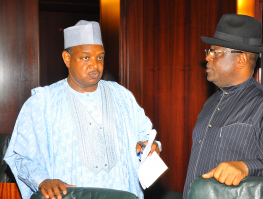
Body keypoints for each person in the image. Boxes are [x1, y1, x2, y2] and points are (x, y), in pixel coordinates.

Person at [4, 20, 161, 199]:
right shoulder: (43, 102)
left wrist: (148, 148)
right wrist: (42, 180)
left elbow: (146, 138)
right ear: (67, 59)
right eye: (86, 57)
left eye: (100, 57)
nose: (95, 65)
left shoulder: (122, 96)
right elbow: (20, 156)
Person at [183, 14, 263, 199]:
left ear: (241, 59)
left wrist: (246, 166)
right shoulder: (212, 102)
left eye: (215, 52)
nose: (208, 58)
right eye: (208, 51)